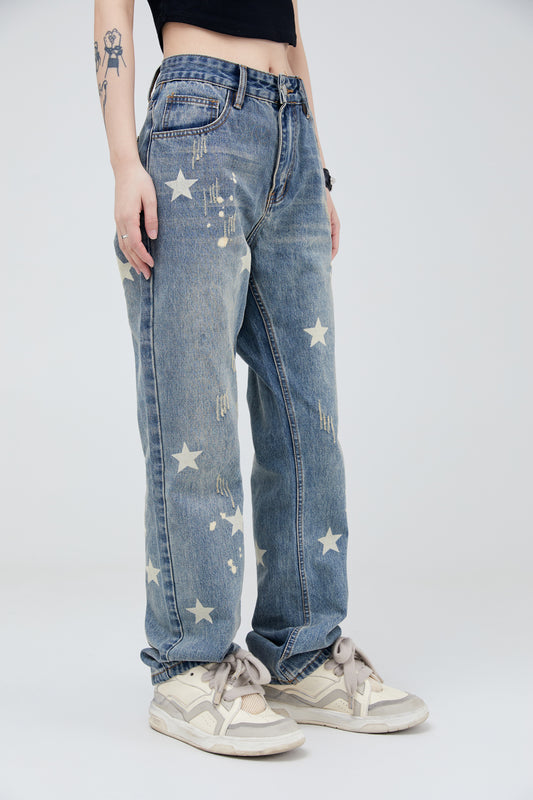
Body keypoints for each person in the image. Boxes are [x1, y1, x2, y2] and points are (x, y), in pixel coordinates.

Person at [94, 0, 429, 757]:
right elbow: (110, 13)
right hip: (198, 120)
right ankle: (189, 664)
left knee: (307, 413)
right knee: (194, 411)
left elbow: (290, 24)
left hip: (291, 127)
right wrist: (123, 162)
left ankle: (301, 649)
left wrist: (315, 163)